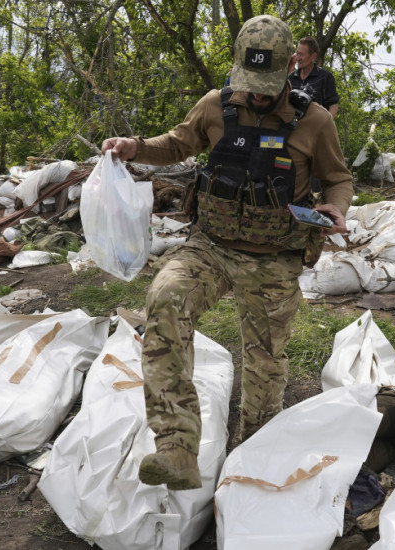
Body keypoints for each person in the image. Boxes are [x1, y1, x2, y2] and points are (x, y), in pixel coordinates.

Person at [101, 15, 354, 491]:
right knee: (165, 298)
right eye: (249, 84)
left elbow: (339, 178)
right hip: (211, 247)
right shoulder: (214, 106)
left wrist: (336, 206)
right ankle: (177, 448)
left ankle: (254, 455)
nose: (256, 96)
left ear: (289, 70)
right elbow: (177, 143)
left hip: (274, 255)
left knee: (265, 362)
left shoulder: (315, 121)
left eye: (266, 87)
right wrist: (135, 147)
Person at [288, 36, 339, 117]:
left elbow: (333, 105)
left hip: (317, 123)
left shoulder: (325, 77)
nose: (298, 58)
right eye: (297, 53)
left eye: (302, 54)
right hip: (292, 124)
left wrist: (326, 123)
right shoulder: (290, 78)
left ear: (313, 56)